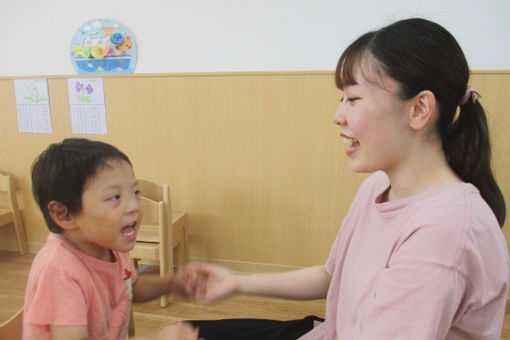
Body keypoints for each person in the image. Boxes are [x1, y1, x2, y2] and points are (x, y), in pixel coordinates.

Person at [187, 18, 509, 339]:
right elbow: (332, 276)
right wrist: (237, 282)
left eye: (353, 99)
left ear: (419, 109)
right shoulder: (377, 187)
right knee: (180, 333)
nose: (337, 115)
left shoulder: (444, 232)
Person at [23, 138, 199, 340]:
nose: (133, 205)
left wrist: (173, 283)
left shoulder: (110, 244)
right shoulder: (59, 270)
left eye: (135, 192)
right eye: (115, 197)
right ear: (64, 214)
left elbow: (129, 288)